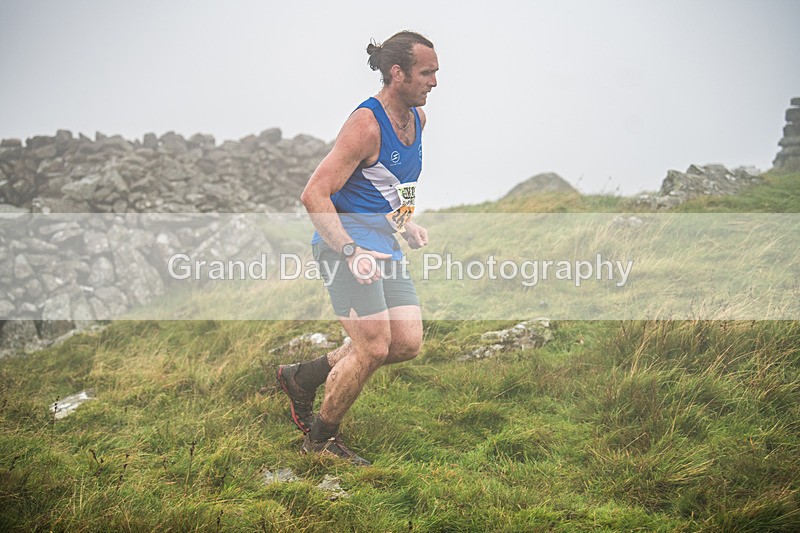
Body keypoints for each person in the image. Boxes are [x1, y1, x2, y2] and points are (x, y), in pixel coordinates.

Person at [276, 30, 438, 466]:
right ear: (397, 73)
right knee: (373, 348)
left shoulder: (418, 120)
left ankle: (302, 377)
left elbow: (390, 188)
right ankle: (320, 441)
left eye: (436, 72)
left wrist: (405, 225)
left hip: (383, 242)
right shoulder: (365, 125)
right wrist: (351, 252)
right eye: (427, 73)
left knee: (405, 343)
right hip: (344, 245)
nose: (434, 82)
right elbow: (314, 194)